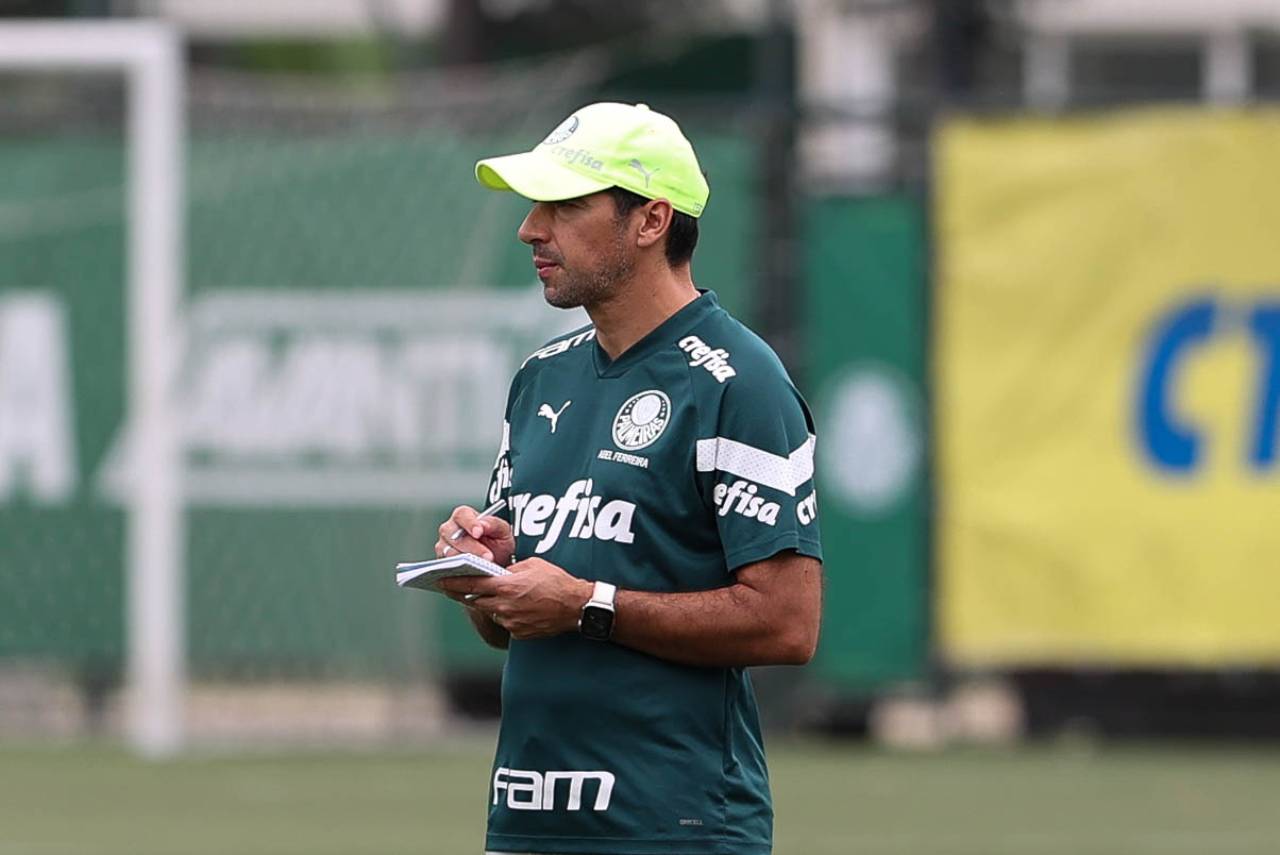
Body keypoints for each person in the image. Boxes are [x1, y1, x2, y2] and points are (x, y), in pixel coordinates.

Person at [434, 101, 823, 855]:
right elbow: (509, 624)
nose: (531, 228)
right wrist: (483, 573)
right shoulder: (539, 378)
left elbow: (787, 622)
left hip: (675, 826)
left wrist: (588, 604)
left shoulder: (740, 381)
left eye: (564, 205)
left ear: (651, 220)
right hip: (527, 821)